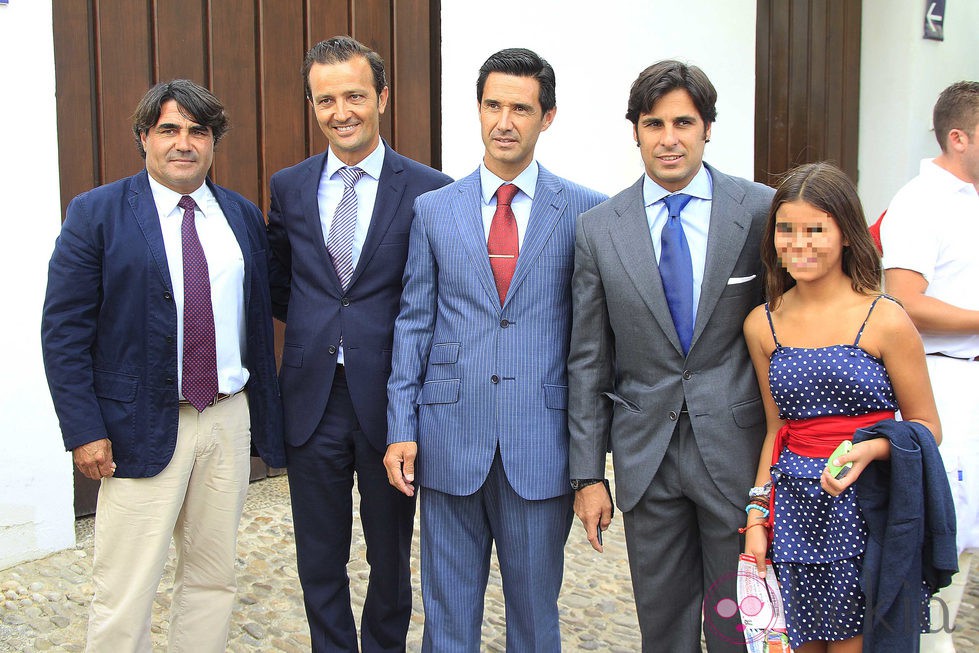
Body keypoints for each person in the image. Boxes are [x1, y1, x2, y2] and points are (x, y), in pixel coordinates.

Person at [40, 79, 285, 652]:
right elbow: (64, 331)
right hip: (137, 426)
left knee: (212, 577)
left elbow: (272, 303)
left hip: (225, 419)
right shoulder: (97, 213)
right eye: (168, 129)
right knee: (126, 586)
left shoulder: (241, 217)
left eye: (197, 131)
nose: (183, 143)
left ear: (213, 143)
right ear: (143, 138)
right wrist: (85, 429)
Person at [384, 48, 605, 651]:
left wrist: (589, 462)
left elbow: (590, 345)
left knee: (535, 617)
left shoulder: (585, 212)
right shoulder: (434, 210)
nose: (505, 121)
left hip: (541, 444)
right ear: (478, 110)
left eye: (521, 109)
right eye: (493, 106)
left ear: (547, 116)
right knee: (447, 616)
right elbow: (414, 324)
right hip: (449, 439)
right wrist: (402, 427)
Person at [567, 60, 774, 652]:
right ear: (635, 130)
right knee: (664, 628)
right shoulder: (599, 229)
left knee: (737, 626)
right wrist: (588, 474)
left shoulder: (760, 212)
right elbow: (588, 358)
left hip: (735, 453)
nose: (669, 138)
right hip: (646, 458)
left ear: (708, 127)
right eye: (653, 123)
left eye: (683, 122)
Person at [266, 36, 451, 652]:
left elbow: (439, 299)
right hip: (311, 396)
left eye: (354, 96)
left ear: (382, 98)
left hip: (390, 402)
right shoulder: (289, 187)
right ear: (312, 106)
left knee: (390, 557)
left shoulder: (430, 190)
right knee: (318, 555)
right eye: (326, 100)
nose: (340, 111)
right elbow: (280, 283)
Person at [742, 162, 948, 652]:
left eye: (816, 229)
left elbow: (927, 426)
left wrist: (872, 449)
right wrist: (756, 520)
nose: (798, 243)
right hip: (795, 511)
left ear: (847, 233)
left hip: (865, 510)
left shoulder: (885, 319)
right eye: (785, 230)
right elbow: (775, 431)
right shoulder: (761, 324)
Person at [880, 80, 979, 652]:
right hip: (942, 384)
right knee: (942, 543)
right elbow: (905, 302)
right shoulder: (922, 201)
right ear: (959, 137)